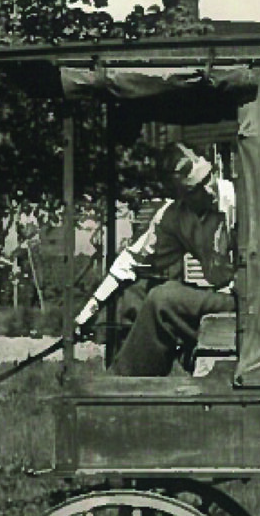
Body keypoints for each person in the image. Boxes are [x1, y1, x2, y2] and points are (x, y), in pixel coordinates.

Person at [72, 140, 239, 376]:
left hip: (249, 304)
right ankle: (127, 386)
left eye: (208, 178)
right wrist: (88, 312)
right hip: (219, 299)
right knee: (132, 295)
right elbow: (130, 262)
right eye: (195, 189)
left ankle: (124, 391)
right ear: (180, 194)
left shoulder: (240, 201)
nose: (209, 190)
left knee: (164, 298)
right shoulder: (175, 217)